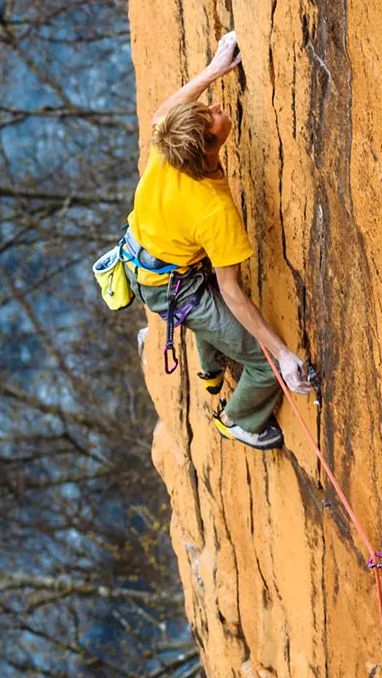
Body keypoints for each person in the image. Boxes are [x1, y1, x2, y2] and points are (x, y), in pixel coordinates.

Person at [127, 31, 312, 450]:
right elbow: (231, 291)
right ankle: (239, 420)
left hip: (149, 261)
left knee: (207, 297)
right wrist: (283, 355)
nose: (214, 107)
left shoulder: (167, 145)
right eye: (211, 117)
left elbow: (163, 112)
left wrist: (214, 69)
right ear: (208, 151)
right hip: (172, 285)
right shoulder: (213, 210)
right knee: (266, 366)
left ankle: (211, 366)